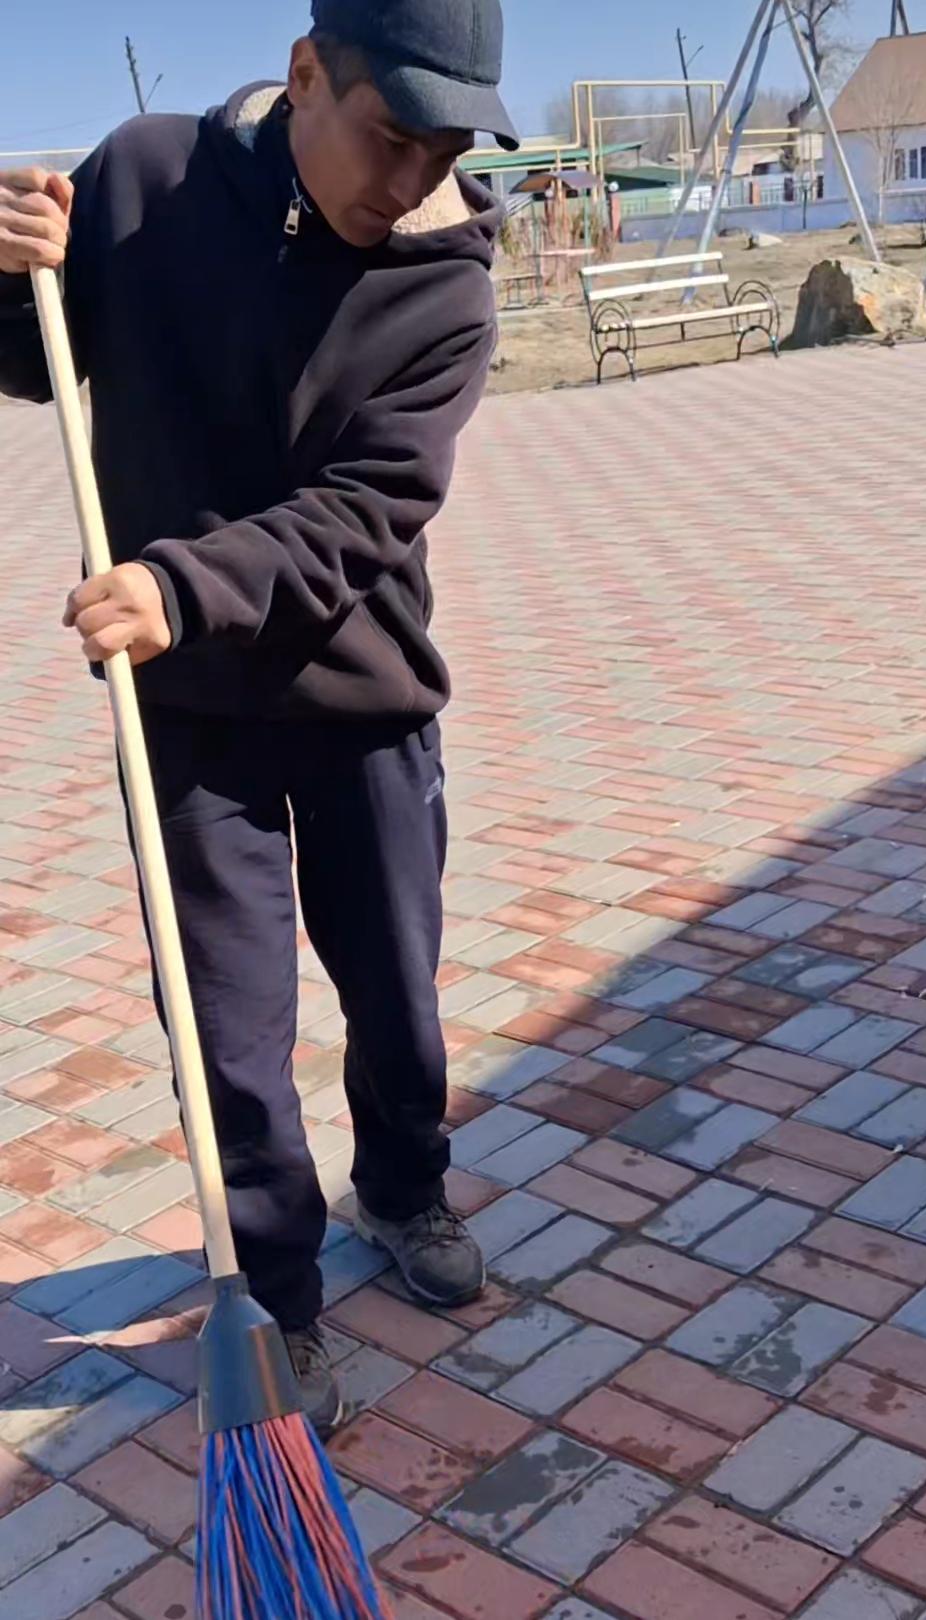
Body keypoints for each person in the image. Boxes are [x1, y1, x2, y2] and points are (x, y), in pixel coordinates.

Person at [0, 0, 517, 1437]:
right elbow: (37, 358)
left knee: (397, 1001)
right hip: (184, 714)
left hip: (363, 700)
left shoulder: (448, 292)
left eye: (445, 151)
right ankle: (278, 1299)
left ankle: (403, 1189)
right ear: (304, 76)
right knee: (227, 1032)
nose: (411, 179)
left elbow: (365, 511)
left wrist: (183, 583)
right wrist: (11, 270)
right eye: (389, 135)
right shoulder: (144, 180)